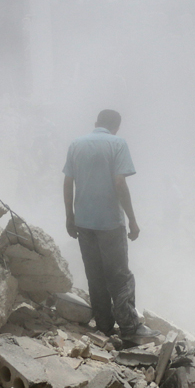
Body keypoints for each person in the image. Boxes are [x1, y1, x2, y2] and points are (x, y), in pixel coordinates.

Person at [63, 109, 160, 343]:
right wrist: (133, 220)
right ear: (116, 127)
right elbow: (119, 182)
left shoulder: (76, 144)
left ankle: (104, 326)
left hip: (84, 222)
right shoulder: (117, 143)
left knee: (94, 274)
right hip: (109, 224)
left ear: (95, 122)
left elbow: (68, 182)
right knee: (119, 276)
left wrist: (69, 216)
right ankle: (129, 328)